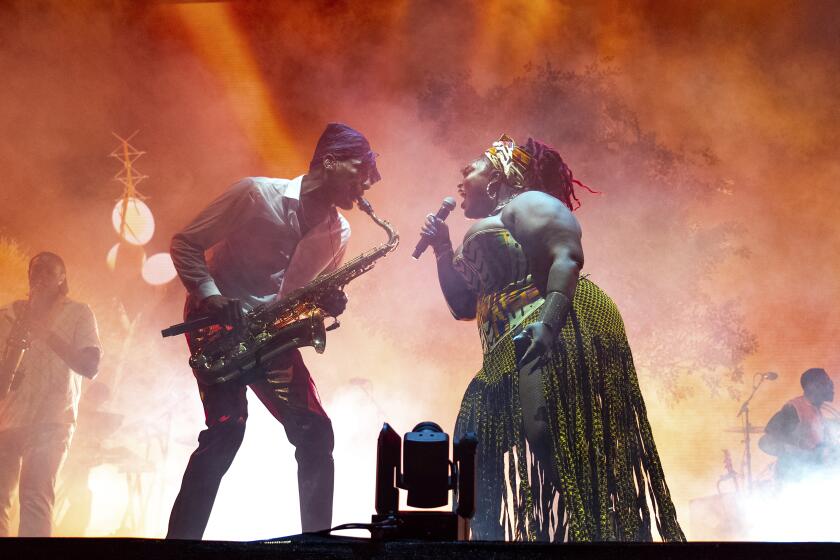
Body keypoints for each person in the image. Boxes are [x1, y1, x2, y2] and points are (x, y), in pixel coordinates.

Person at [420, 134, 684, 542]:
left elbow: (567, 256)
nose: (461, 178)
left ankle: (600, 528)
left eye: (470, 169)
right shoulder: (488, 224)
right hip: (505, 345)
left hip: (551, 321)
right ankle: (485, 543)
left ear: (498, 179)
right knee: (474, 442)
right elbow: (463, 307)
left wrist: (550, 322)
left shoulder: (527, 204)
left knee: (543, 430)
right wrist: (442, 250)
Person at [167, 122, 380, 539]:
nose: (367, 182)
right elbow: (185, 243)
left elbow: (306, 297)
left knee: (317, 434)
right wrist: (211, 297)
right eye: (360, 169)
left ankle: (316, 546)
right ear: (329, 160)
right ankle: (178, 547)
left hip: (271, 335)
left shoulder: (341, 232)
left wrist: (329, 304)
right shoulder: (254, 193)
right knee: (227, 430)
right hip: (218, 328)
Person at [0, 252, 102, 536]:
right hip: (6, 421)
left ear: (62, 279)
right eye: (35, 272)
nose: (40, 277)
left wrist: (45, 333)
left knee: (34, 498)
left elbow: (90, 366)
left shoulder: (80, 313)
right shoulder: (7, 314)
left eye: (48, 271)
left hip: (51, 421)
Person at [759, 368, 836, 482]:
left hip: (810, 473)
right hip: (794, 474)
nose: (830, 386)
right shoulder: (795, 408)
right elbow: (771, 431)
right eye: (825, 382)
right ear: (812, 386)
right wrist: (799, 443)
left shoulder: (816, 410)